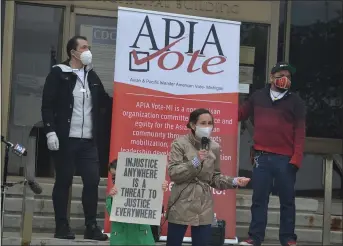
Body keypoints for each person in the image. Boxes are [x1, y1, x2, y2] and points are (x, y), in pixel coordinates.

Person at [41, 35, 111, 240]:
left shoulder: (92, 75)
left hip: (88, 141)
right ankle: (61, 226)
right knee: (63, 181)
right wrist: (50, 131)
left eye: (88, 47)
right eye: (84, 47)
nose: (88, 50)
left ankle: (91, 226)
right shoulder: (59, 73)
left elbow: (105, 102)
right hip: (65, 139)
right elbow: (47, 105)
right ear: (73, 52)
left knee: (92, 180)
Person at [238, 62, 306, 246]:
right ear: (271, 77)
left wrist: (297, 158)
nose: (285, 79)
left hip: (286, 160)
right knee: (259, 200)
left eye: (289, 77)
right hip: (261, 157)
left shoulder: (296, 102)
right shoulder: (258, 97)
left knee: (287, 202)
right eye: (281, 75)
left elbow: (300, 133)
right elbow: (240, 114)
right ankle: (255, 237)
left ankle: (288, 238)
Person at [166, 108, 251, 246]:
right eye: (203, 123)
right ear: (193, 125)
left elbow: (214, 178)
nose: (207, 127)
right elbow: (174, 173)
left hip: (203, 205)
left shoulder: (214, 147)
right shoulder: (179, 143)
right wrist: (195, 161)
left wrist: (234, 181)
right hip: (181, 202)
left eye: (210, 123)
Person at [106, 159, 168, 245]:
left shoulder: (145, 190)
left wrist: (159, 188)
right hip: (121, 239)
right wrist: (112, 197)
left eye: (117, 175)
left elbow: (155, 207)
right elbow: (111, 212)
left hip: (142, 238)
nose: (114, 179)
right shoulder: (113, 195)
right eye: (113, 176)